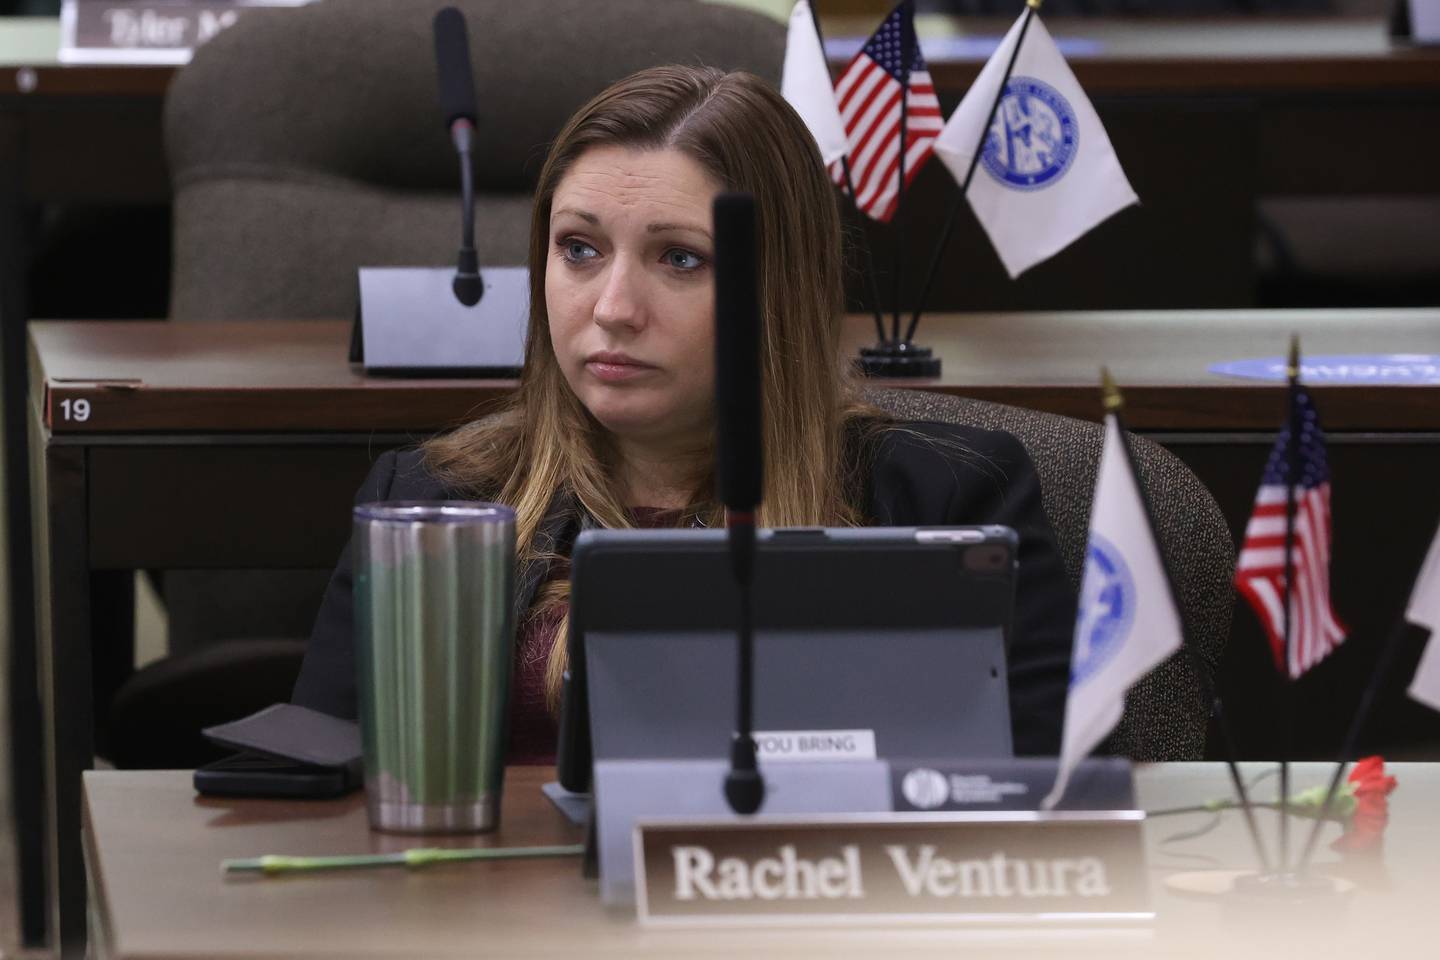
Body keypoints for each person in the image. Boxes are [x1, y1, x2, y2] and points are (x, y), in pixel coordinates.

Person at [292, 65, 1075, 761]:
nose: (613, 307)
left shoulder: (947, 497)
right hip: (486, 915)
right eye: (577, 249)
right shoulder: (428, 500)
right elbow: (322, 785)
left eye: (680, 258)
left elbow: (1040, 803)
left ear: (780, 286)